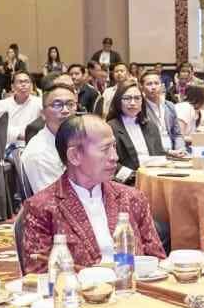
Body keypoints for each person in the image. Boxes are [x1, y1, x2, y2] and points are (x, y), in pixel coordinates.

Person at [20, 114, 165, 268]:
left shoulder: (132, 198)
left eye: (114, 147)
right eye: (105, 149)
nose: (115, 157)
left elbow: (157, 261)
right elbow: (38, 274)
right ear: (74, 156)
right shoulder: (42, 207)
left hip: (134, 281)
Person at [19, 80, 79, 194]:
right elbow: (55, 200)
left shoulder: (72, 139)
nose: (65, 110)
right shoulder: (39, 154)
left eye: (70, 104)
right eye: (57, 105)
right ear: (43, 114)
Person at [107, 84, 165, 183]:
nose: (133, 103)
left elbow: (159, 155)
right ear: (118, 101)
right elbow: (108, 161)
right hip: (127, 181)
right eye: (127, 98)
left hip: (154, 177)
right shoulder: (110, 127)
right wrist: (133, 176)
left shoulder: (151, 126)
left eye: (137, 98)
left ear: (142, 101)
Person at [140, 68, 185, 154]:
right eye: (149, 84)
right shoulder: (140, 108)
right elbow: (145, 139)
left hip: (173, 152)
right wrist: (168, 152)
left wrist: (180, 149)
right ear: (142, 87)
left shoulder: (169, 106)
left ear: (162, 85)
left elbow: (177, 134)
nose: (153, 87)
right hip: (153, 153)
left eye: (156, 83)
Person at [0, 70, 42, 145]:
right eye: (20, 82)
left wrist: (14, 132)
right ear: (12, 87)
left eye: (27, 82)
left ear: (31, 86)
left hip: (32, 145)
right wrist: (22, 135)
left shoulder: (40, 103)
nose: (23, 84)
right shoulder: (2, 105)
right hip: (7, 145)